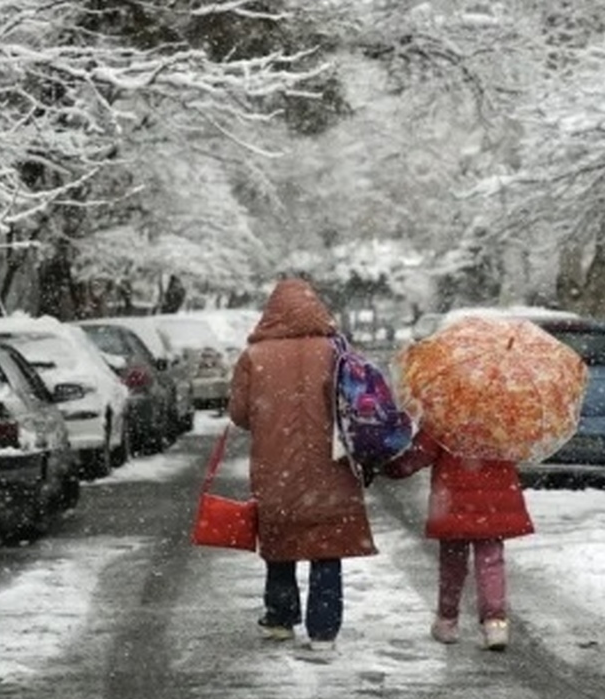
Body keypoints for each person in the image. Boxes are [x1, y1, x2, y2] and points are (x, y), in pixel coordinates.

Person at [227, 278, 377, 652]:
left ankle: (280, 617)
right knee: (327, 544)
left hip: (275, 466)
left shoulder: (254, 356)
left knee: (280, 540)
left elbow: (240, 414)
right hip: (333, 465)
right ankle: (324, 630)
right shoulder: (335, 350)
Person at [382, 429, 534, 651]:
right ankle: (496, 623)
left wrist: (391, 467)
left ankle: (447, 621)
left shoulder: (446, 413)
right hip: (493, 501)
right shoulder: (504, 415)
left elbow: (420, 453)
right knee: (491, 562)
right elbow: (521, 449)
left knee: (452, 565)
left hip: (452, 500)